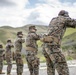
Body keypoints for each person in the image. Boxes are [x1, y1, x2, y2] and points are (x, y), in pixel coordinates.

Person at [41, 10, 76, 75]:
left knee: (50, 68)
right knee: (63, 69)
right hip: (52, 46)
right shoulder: (65, 19)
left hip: (45, 46)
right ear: (66, 15)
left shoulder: (53, 19)